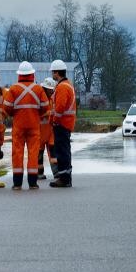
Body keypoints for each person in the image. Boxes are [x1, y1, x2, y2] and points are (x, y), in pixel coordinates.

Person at [2, 61, 49, 190]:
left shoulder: (13, 89)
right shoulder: (38, 89)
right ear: (32, 74)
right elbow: (45, 107)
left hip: (19, 126)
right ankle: (33, 183)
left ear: (19, 75)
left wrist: (14, 113)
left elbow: (6, 108)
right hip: (34, 125)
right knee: (34, 153)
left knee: (17, 152)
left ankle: (17, 183)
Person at [48, 59, 76, 188]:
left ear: (57, 72)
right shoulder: (67, 85)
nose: (52, 75)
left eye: (53, 72)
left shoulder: (62, 87)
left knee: (62, 152)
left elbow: (59, 108)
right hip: (66, 123)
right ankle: (66, 177)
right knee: (65, 151)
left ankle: (64, 178)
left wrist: (54, 121)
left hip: (62, 124)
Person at [38, 77, 57, 179]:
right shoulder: (39, 100)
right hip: (40, 131)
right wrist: (48, 113)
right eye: (50, 90)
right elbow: (36, 114)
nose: (51, 91)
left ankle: (56, 173)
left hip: (50, 131)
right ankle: (39, 173)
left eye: (52, 90)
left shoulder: (52, 99)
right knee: (39, 154)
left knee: (53, 154)